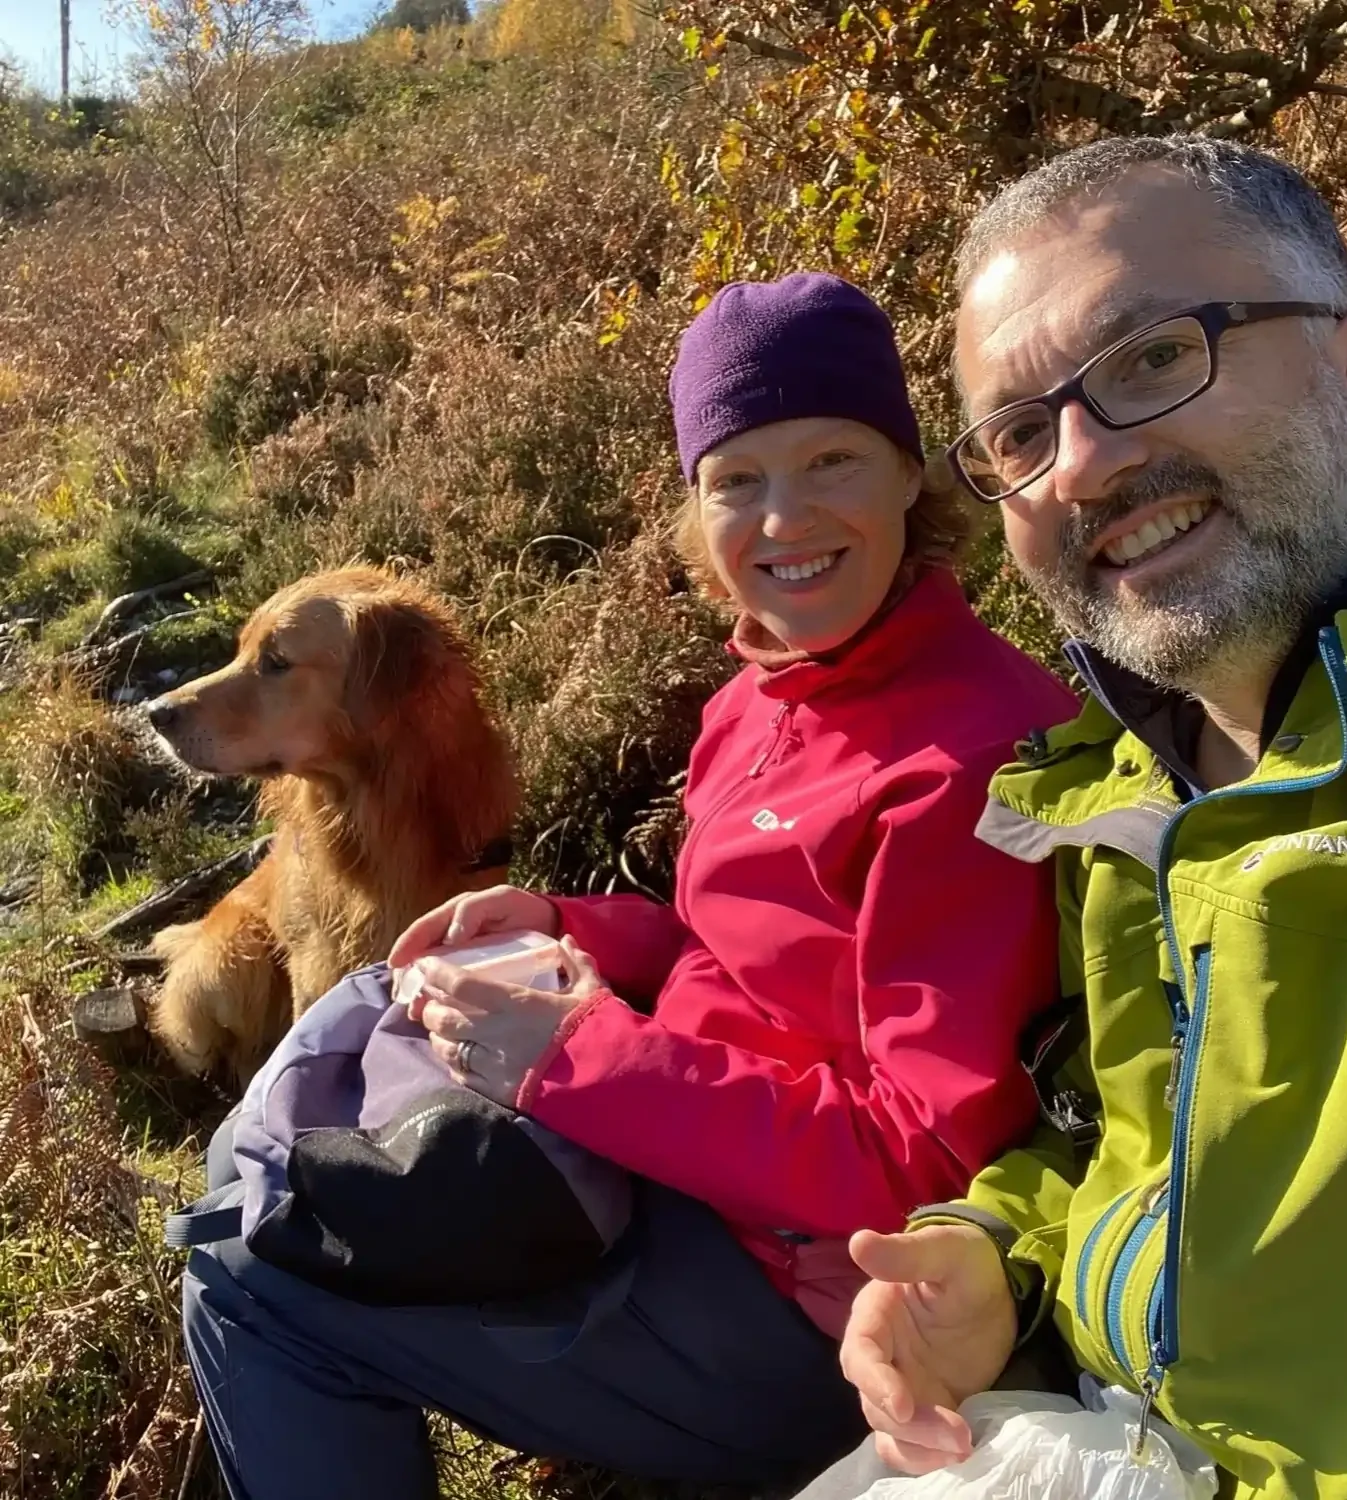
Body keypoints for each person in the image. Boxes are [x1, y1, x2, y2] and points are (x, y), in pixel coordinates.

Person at [181, 272, 1078, 1500]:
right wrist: (570, 924)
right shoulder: (757, 698)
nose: (783, 519)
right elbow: (737, 945)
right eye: (736, 481)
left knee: (250, 1285)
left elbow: (917, 1158)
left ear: (913, 479)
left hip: (813, 1315)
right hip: (678, 1183)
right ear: (693, 512)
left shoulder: (969, 759)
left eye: (832, 461)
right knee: (268, 1177)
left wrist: (573, 1060)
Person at [838, 135, 1347, 1499]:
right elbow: (1128, 1135)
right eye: (1019, 433)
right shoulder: (1125, 786)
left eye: (1154, 358)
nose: (1078, 465)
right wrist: (999, 1251)